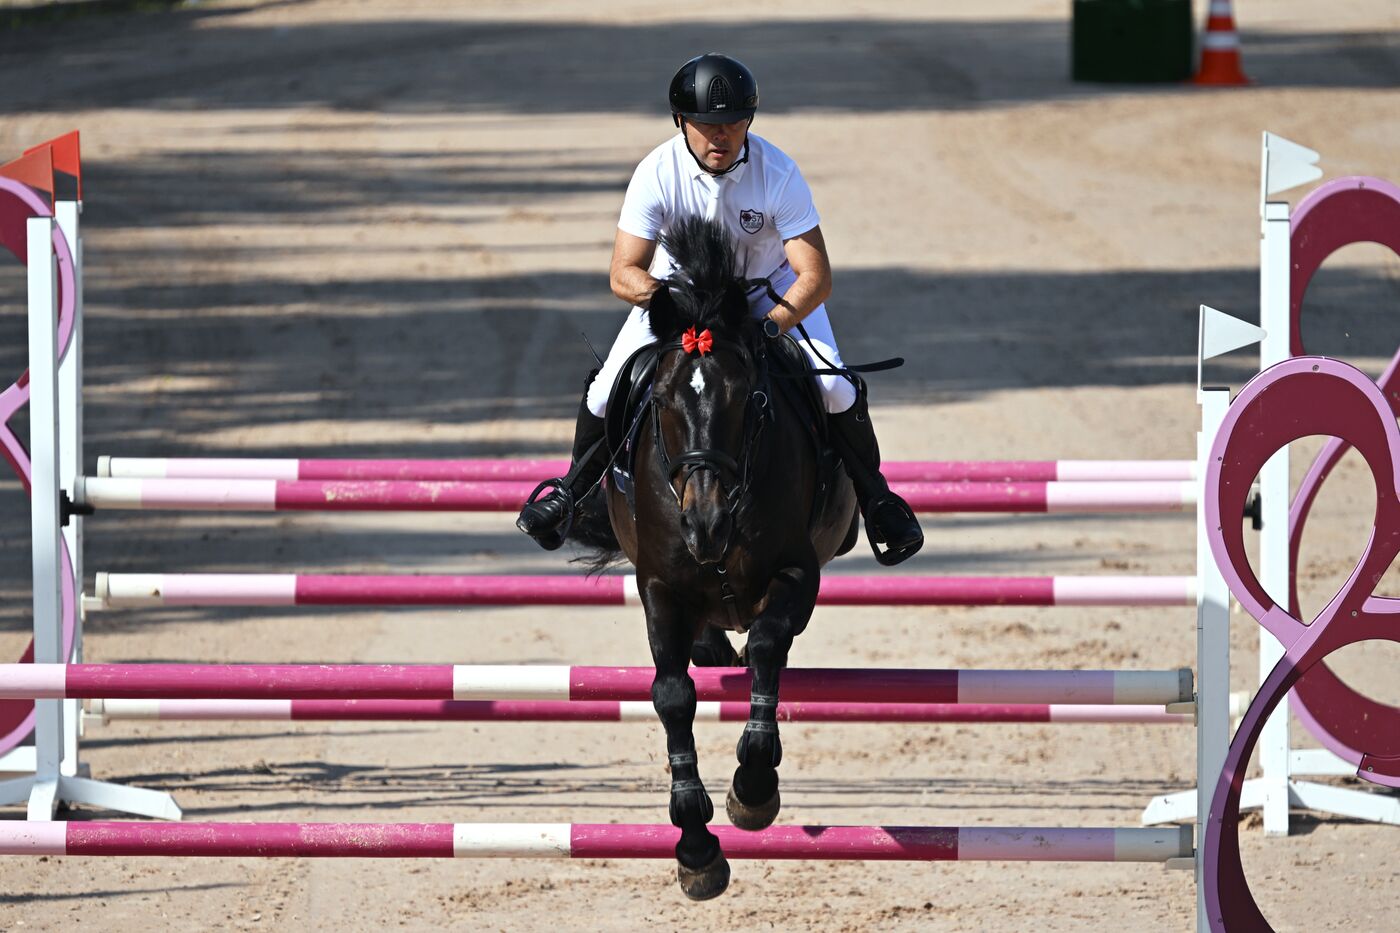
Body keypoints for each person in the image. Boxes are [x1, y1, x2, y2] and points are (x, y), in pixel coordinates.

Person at [516, 52, 923, 565]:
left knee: (834, 386)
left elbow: (815, 277)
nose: (721, 135)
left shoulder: (778, 172)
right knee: (605, 389)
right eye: (707, 124)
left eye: (733, 122)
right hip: (679, 297)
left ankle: (877, 501)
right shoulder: (656, 172)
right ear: (681, 121)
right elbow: (623, 272)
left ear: (748, 120)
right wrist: (665, 302)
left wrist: (771, 327)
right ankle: (571, 492)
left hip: (767, 295)